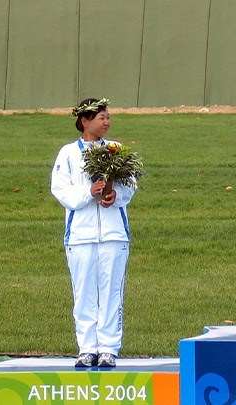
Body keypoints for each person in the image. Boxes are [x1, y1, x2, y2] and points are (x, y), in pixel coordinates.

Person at [51, 98, 137, 367]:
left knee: (111, 292)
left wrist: (115, 195)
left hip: (113, 235)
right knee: (84, 293)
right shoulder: (68, 154)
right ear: (85, 121)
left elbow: (130, 184)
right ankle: (87, 348)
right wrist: (88, 194)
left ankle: (109, 348)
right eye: (102, 117)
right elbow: (60, 189)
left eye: (108, 117)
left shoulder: (116, 150)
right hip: (80, 236)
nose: (107, 122)